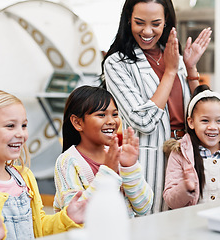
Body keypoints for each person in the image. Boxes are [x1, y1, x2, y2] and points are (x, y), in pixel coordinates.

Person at [102, 0, 212, 213]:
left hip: (187, 155)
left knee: (187, 224)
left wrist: (190, 68)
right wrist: (170, 72)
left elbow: (199, 111)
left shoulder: (174, 56)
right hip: (150, 159)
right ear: (128, 20)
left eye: (156, 23)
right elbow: (143, 121)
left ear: (166, 22)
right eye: (139, 23)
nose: (147, 31)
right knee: (151, 224)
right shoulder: (116, 63)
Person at [0, 89, 87, 239]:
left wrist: (67, 218)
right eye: (10, 126)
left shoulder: (24, 178)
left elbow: (40, 227)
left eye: (24, 125)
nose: (21, 134)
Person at [54, 86, 153, 217]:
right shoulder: (67, 161)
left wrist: (130, 167)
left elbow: (143, 208)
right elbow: (76, 215)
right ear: (77, 122)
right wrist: (108, 172)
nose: (111, 121)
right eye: (101, 115)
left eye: (115, 114)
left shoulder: (119, 156)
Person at [163, 85, 220, 209]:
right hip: (190, 224)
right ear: (191, 122)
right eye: (205, 121)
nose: (212, 127)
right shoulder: (180, 153)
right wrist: (185, 188)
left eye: (219, 121)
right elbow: (171, 201)